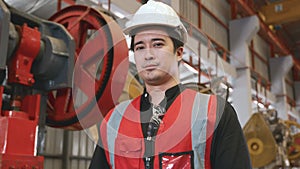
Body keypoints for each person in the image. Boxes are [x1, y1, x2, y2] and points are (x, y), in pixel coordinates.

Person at [89, 0, 252, 168]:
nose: (148, 55)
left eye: (158, 44)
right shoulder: (113, 122)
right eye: (140, 47)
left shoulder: (215, 114)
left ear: (179, 52)